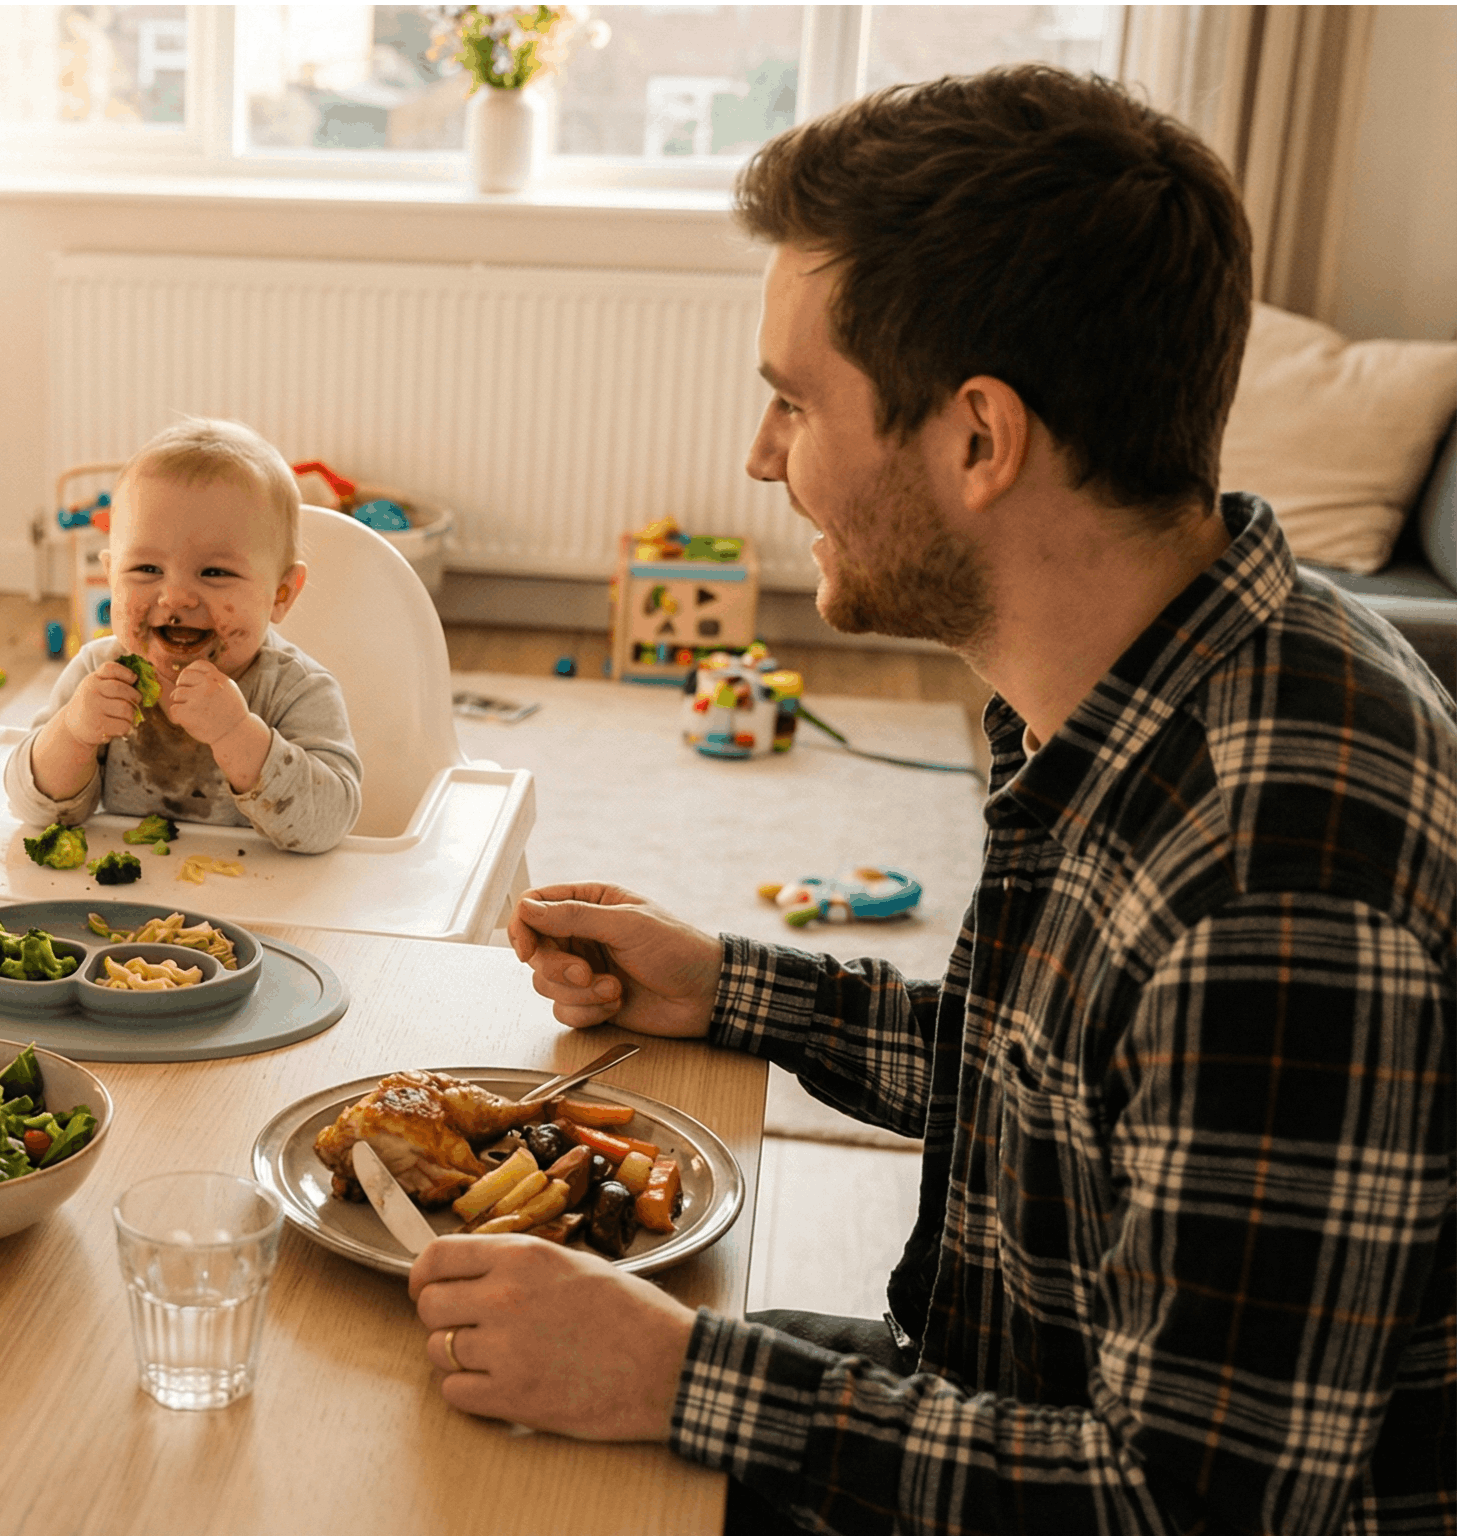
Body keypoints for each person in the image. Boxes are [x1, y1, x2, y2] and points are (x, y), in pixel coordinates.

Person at [406, 66, 1455, 1535]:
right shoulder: (1145, 680)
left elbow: (1189, 1504)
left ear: (978, 440)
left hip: (1093, 1487)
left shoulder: (1274, 887)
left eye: (793, 403)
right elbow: (1054, 1088)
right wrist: (731, 989)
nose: (761, 458)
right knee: (439, 1370)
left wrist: (679, 1378)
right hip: (989, 1396)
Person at [6, 418, 363, 852]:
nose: (175, 597)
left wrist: (238, 735)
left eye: (214, 572)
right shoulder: (97, 673)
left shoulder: (296, 690)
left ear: (280, 594)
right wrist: (74, 733)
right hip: (128, 888)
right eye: (146, 569)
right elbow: (33, 808)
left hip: (255, 889)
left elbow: (329, 823)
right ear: (112, 578)